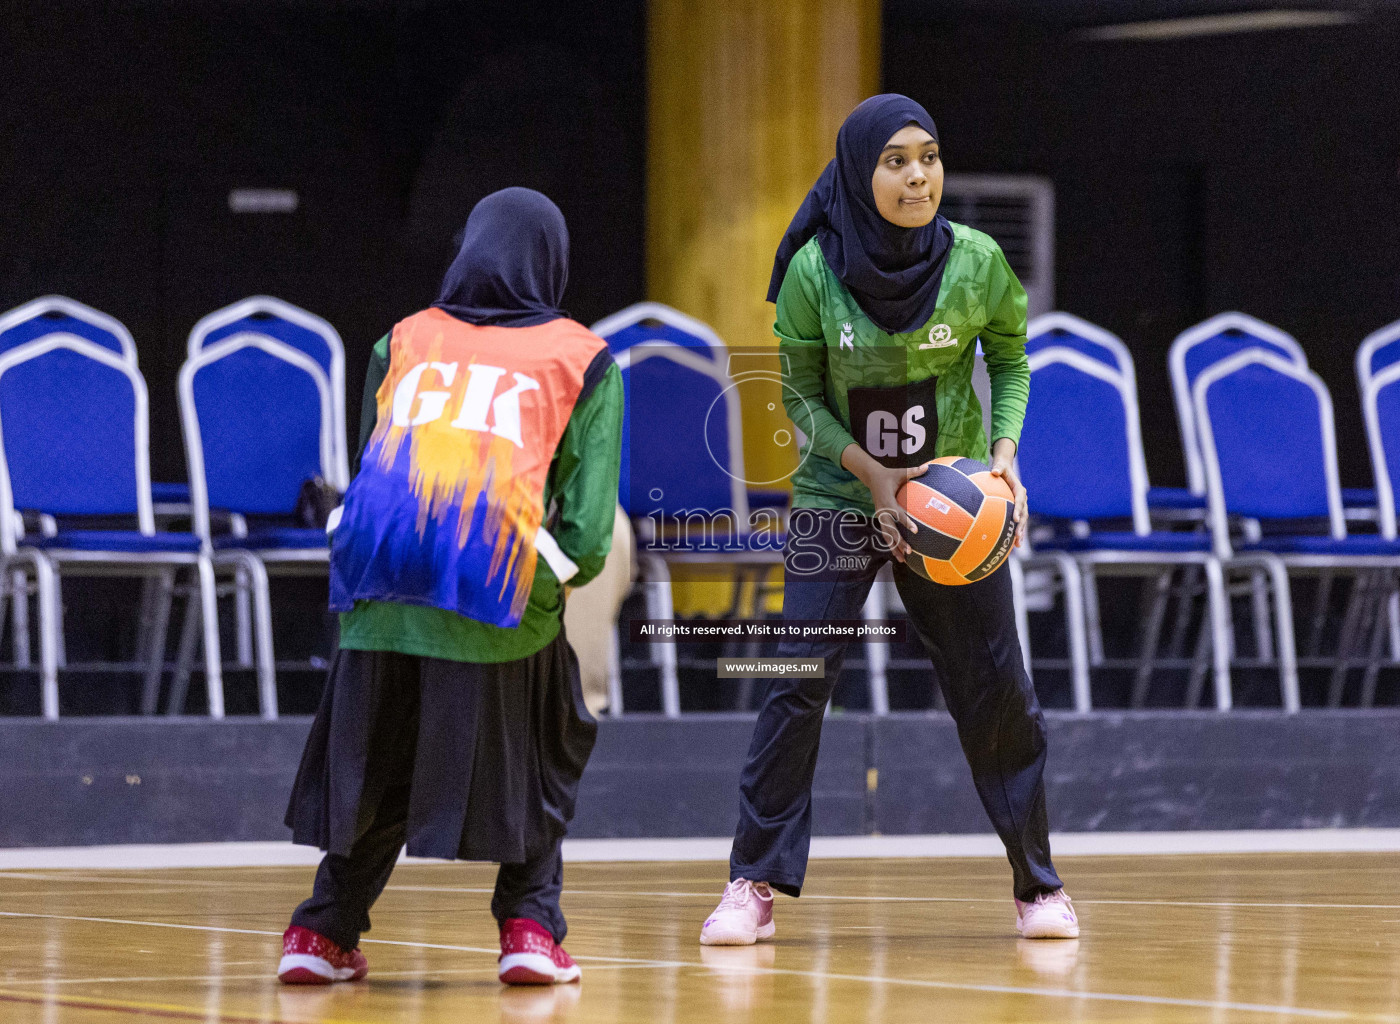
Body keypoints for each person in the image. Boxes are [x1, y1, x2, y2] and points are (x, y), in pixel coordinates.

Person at [699, 95, 1077, 946]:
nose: (917, 175)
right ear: (858, 171)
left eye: (930, 157)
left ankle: (1039, 886)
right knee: (794, 685)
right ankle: (751, 882)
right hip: (841, 496)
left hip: (952, 507)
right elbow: (796, 394)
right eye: (896, 160)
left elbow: (1011, 361)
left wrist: (1005, 448)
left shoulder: (978, 262)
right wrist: (864, 470)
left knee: (996, 690)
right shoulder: (812, 272)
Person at [277, 188, 623, 986]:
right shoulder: (581, 356)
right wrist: (544, 592)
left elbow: (378, 465)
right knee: (545, 741)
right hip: (492, 586)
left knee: (382, 762)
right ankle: (530, 929)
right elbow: (586, 534)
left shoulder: (402, 338)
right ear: (552, 261)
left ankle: (321, 933)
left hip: (374, 590)